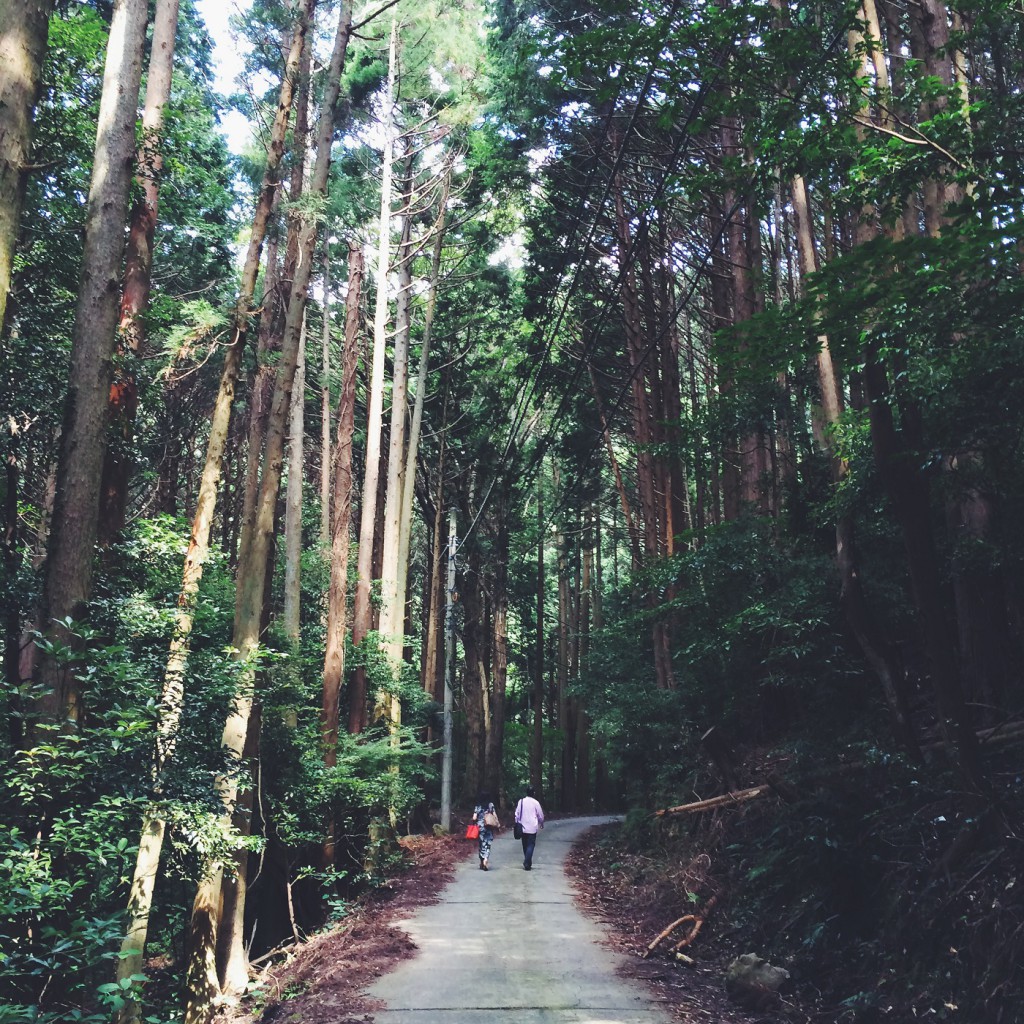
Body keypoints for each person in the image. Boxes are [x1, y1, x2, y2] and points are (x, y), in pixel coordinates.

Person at [514, 786, 544, 870]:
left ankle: (527, 861)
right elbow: (540, 814)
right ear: (533, 793)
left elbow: (517, 813)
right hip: (532, 827)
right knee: (531, 845)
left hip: (523, 827)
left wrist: (517, 822)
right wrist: (541, 822)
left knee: (525, 845)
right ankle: (527, 862)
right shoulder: (536, 803)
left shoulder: (521, 801)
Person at [472, 791, 498, 870]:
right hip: (489, 826)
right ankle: (486, 859)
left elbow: (474, 817)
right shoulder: (491, 805)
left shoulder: (478, 806)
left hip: (480, 828)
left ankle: (482, 861)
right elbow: (495, 815)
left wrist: (476, 821)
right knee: (487, 844)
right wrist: (497, 823)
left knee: (481, 844)